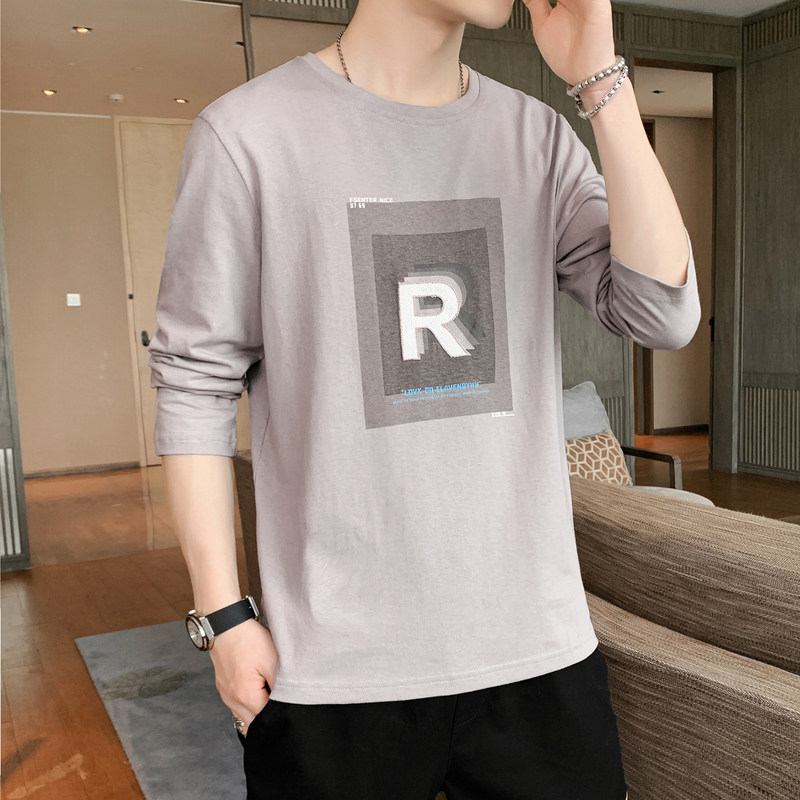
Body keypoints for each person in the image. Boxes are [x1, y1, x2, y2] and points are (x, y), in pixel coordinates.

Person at [148, 0, 700, 797]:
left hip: (537, 651)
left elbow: (662, 315)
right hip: (337, 666)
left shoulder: (537, 137)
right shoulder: (248, 135)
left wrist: (600, 83)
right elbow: (193, 381)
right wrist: (224, 618)